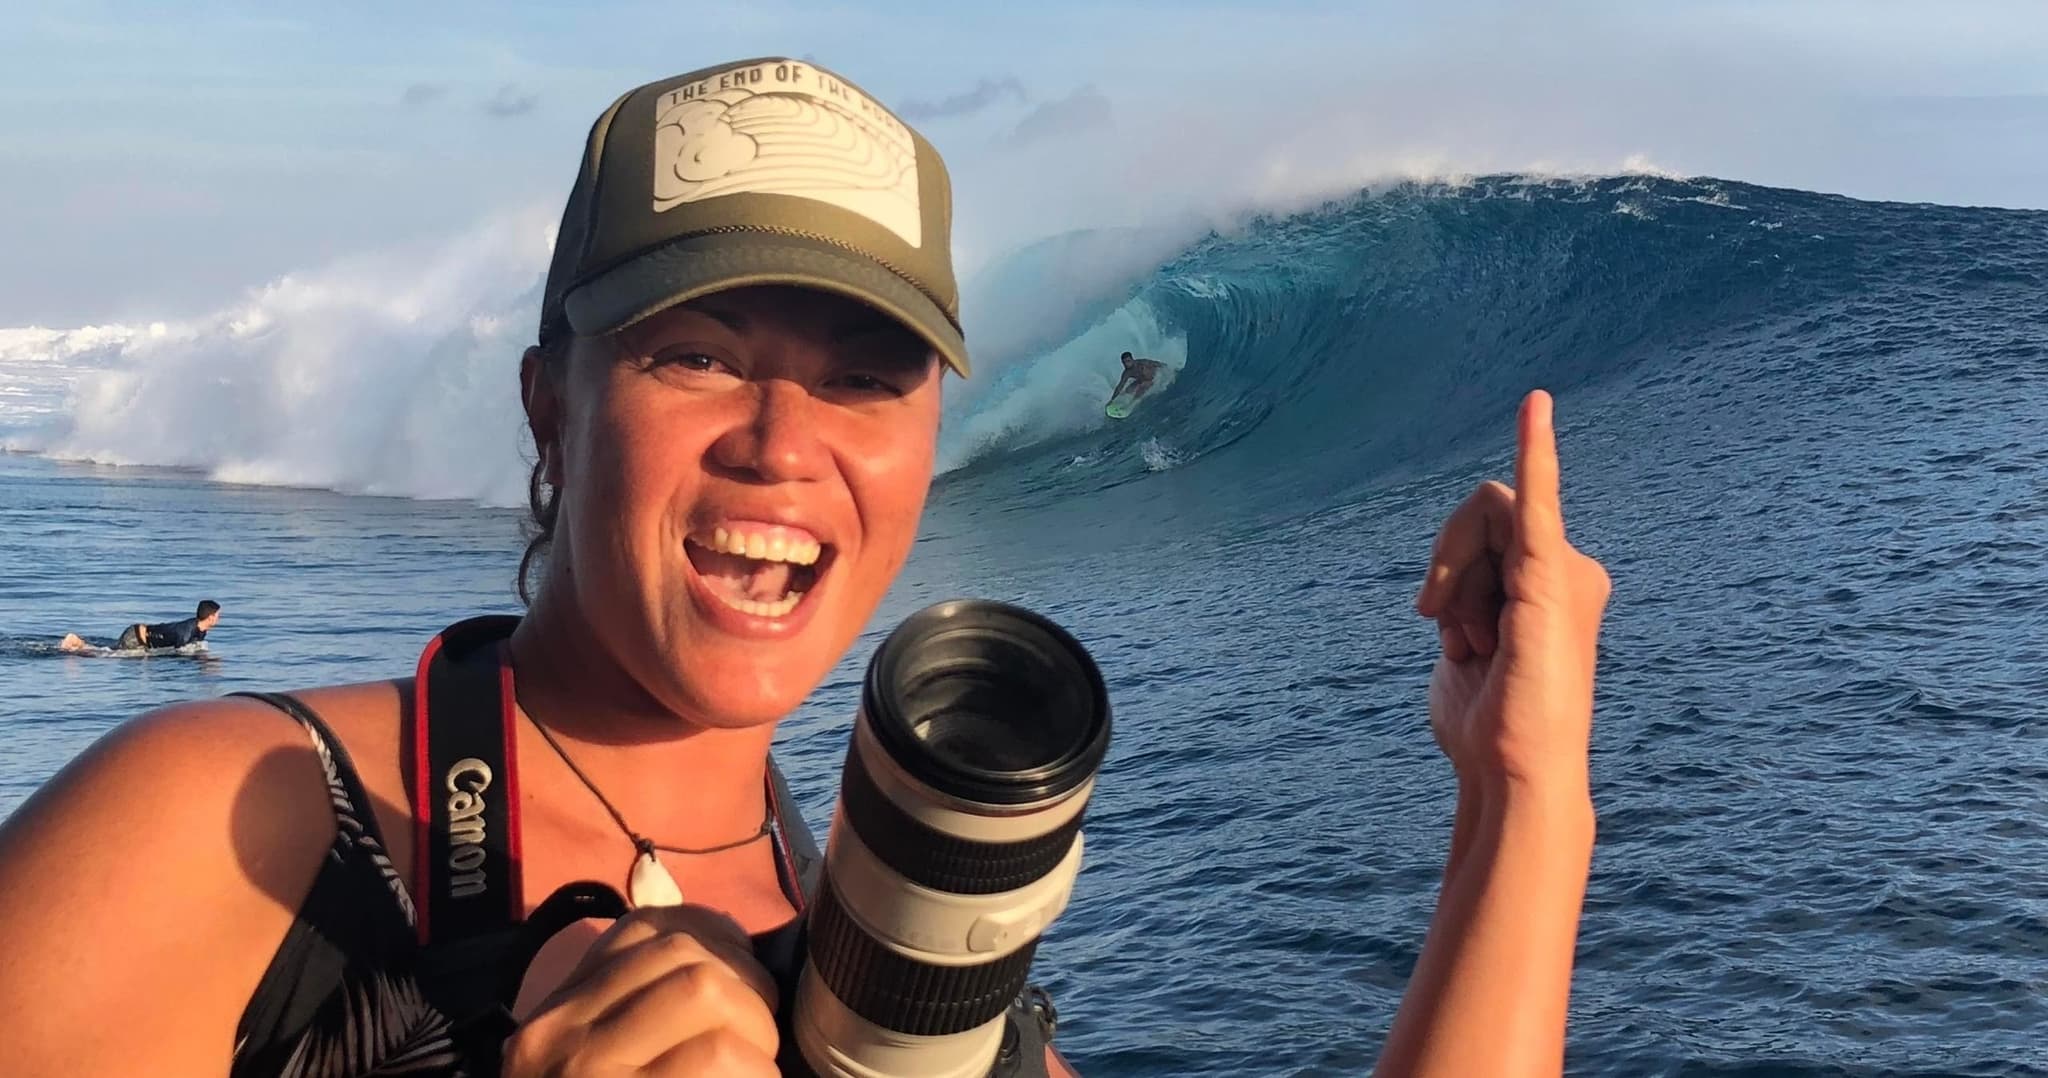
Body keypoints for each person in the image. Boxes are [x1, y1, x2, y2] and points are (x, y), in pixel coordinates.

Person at [0, 55, 1610, 1078]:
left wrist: (1520, 799)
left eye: (866, 372)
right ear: (548, 403)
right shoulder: (225, 830)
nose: (785, 441)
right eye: (698, 351)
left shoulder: (897, 969)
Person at [57, 598, 221, 653]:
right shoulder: (186, 631)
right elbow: (179, 653)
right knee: (106, 654)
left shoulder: (201, 630)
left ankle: (79, 643)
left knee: (110, 649)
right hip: (136, 637)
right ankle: (77, 643)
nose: (219, 618)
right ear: (211, 617)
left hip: (142, 639)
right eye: (218, 615)